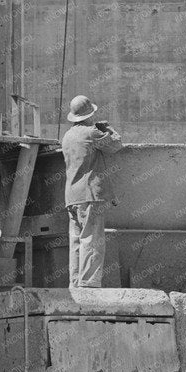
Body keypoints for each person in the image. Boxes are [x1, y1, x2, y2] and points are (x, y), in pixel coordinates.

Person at [60, 94, 123, 287]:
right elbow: (116, 145)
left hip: (72, 196)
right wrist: (107, 128)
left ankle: (76, 283)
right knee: (92, 239)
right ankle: (89, 284)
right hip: (90, 194)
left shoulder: (67, 136)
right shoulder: (91, 132)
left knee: (76, 241)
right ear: (89, 114)